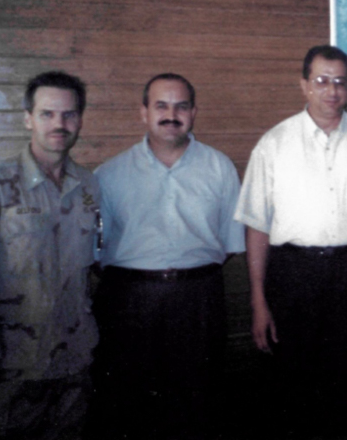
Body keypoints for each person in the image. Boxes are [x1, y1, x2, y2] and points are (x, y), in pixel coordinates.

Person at [235, 45, 347, 438]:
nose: (331, 90)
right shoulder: (274, 143)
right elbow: (257, 227)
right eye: (321, 81)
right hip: (291, 275)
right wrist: (258, 300)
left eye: (340, 82)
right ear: (304, 85)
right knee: (290, 382)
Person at [91, 73, 245, 439]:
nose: (171, 114)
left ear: (194, 112)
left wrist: (184, 275)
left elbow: (227, 243)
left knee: (197, 399)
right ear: (143, 112)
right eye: (161, 105)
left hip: (198, 299)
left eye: (181, 106)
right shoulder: (108, 175)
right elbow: (95, 253)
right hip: (129, 301)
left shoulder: (219, 167)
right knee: (129, 402)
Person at [0, 71, 99, 439]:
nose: (59, 124)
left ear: (79, 119)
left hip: (74, 361)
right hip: (11, 364)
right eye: (47, 114)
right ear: (28, 118)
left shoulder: (89, 185)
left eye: (69, 114)